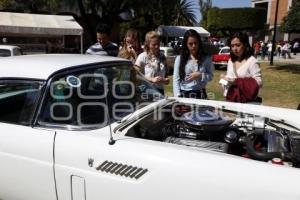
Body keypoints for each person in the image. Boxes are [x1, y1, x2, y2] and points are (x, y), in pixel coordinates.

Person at [220, 32, 262, 103]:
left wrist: (237, 82)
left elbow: (259, 83)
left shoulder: (252, 61)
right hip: (231, 100)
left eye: (238, 45)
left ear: (245, 45)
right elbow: (229, 80)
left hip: (246, 103)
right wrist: (224, 80)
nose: (235, 49)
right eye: (232, 46)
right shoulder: (231, 61)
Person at [173, 29, 213, 99]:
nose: (194, 46)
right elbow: (176, 80)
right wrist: (178, 97)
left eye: (196, 43)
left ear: (199, 43)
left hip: (201, 94)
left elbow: (210, 76)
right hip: (185, 94)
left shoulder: (206, 58)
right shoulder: (179, 59)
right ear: (186, 44)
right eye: (190, 44)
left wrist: (200, 75)